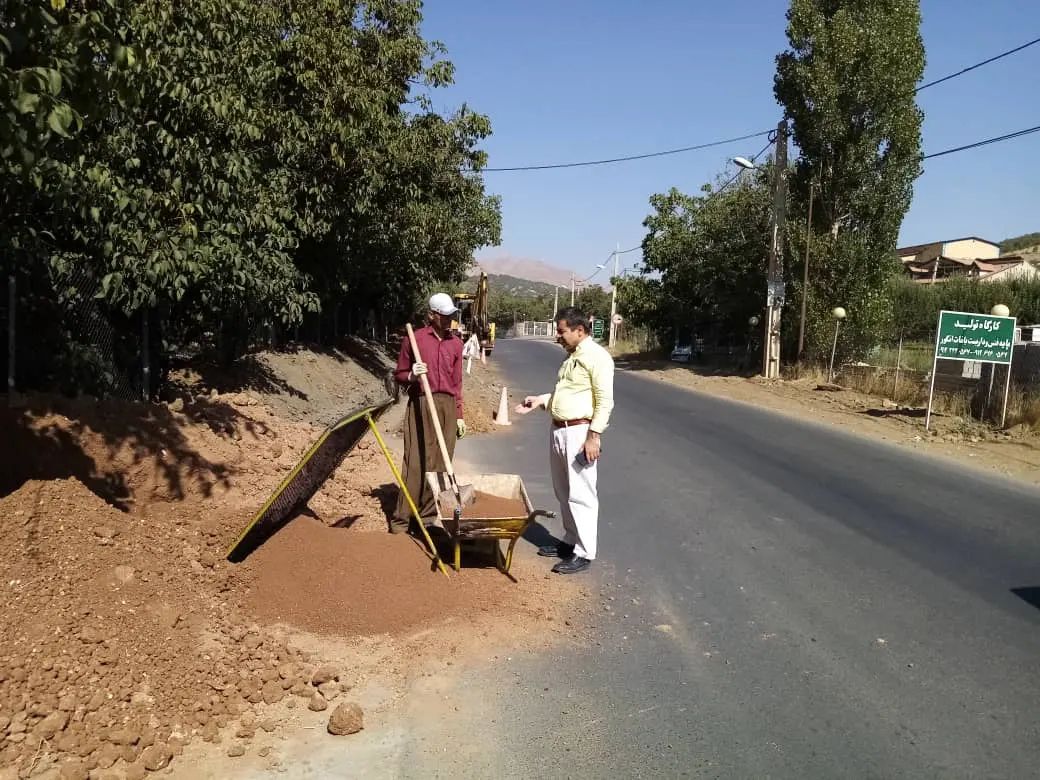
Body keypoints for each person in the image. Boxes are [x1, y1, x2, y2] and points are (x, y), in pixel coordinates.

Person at [515, 306, 614, 574]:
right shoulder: (571, 357)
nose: (557, 336)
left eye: (561, 331)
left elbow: (604, 402)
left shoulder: (597, 357)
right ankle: (570, 542)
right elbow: (567, 394)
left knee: (582, 494)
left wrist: (594, 437)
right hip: (559, 429)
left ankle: (584, 552)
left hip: (580, 432)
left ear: (579, 331)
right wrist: (541, 401)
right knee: (564, 491)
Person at [390, 292, 467, 534]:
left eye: (451, 316)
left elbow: (457, 383)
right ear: (431, 315)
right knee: (416, 462)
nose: (449, 320)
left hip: (447, 405)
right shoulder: (415, 339)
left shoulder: (456, 343)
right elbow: (399, 374)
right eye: (444, 316)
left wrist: (459, 414)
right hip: (421, 402)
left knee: (440, 463)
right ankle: (401, 521)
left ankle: (427, 517)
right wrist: (412, 374)